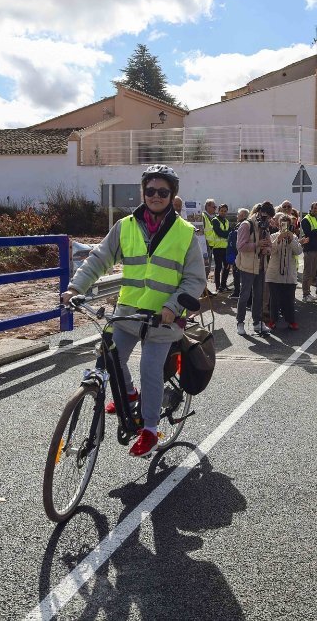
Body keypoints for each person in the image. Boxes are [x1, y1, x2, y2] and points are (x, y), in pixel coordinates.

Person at [62, 164, 205, 457]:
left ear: (171, 195)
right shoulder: (125, 225)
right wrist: (76, 288)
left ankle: (150, 429)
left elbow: (195, 279)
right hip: (128, 312)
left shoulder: (185, 232)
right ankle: (128, 394)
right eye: (150, 190)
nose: (155, 196)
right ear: (143, 192)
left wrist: (172, 306)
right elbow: (99, 258)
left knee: (149, 368)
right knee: (108, 356)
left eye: (162, 192)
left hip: (163, 319)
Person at [236, 201, 274, 336]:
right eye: (266, 217)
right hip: (247, 266)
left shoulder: (266, 227)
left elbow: (269, 245)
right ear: (259, 213)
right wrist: (257, 245)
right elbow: (240, 246)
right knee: (245, 295)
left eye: (269, 218)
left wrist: (267, 250)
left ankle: (257, 322)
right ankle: (240, 322)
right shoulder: (246, 225)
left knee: (259, 295)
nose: (268, 220)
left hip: (261, 265)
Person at [265, 213, 302, 330]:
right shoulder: (273, 236)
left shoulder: (294, 236)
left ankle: (291, 321)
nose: (284, 227)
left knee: (289, 300)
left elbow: (298, 251)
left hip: (289, 274)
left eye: (286, 224)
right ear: (279, 225)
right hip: (275, 274)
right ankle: (272, 321)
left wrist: (291, 239)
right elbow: (270, 251)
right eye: (282, 224)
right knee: (274, 300)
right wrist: (278, 239)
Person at [299, 201, 317, 301]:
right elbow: (308, 233)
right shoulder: (306, 219)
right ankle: (305, 295)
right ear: (311, 208)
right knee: (307, 272)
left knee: (313, 273)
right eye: (315, 208)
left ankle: (308, 292)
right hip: (309, 249)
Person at [205, 201, 230, 292]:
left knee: (227, 266)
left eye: (225, 211)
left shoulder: (226, 221)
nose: (223, 212)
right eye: (222, 211)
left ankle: (223, 285)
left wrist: (226, 234)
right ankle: (218, 286)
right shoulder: (215, 220)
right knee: (218, 266)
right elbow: (219, 233)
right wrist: (227, 234)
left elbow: (228, 232)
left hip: (225, 248)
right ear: (218, 211)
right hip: (217, 248)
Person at [226, 208, 247, 299]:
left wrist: (233, 257)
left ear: (242, 215)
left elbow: (236, 243)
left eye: (238, 214)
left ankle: (237, 292)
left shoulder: (241, 226)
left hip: (237, 254)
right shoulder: (246, 225)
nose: (237, 216)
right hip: (240, 253)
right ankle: (238, 291)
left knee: (237, 274)